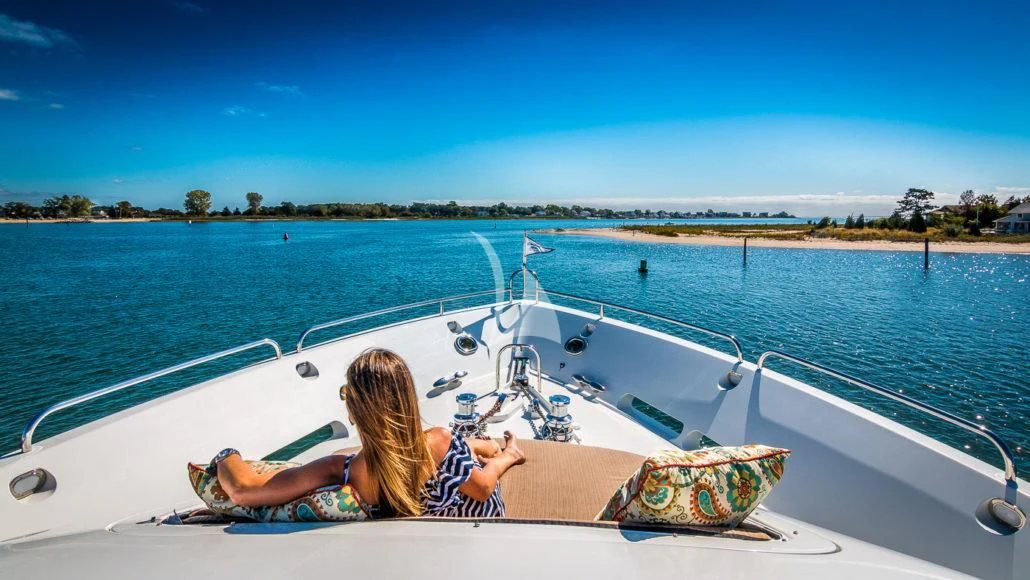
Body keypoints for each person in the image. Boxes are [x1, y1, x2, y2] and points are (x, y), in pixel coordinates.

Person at [212, 348, 525, 518]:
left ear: (355, 411)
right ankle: (492, 450)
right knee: (464, 451)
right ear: (406, 398)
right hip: (478, 510)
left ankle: (477, 447)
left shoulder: (343, 470)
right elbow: (483, 489)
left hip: (423, 463)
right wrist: (506, 458)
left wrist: (227, 456)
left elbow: (242, 490)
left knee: (464, 448)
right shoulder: (439, 441)